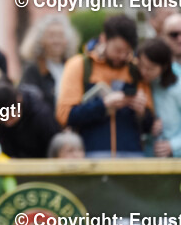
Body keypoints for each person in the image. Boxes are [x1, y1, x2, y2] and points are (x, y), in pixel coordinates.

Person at [55, 15, 154, 158]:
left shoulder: (136, 69)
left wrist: (142, 112)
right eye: (118, 50)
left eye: (127, 52)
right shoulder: (80, 65)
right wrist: (103, 105)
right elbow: (65, 115)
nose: (122, 56)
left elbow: (150, 125)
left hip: (132, 158)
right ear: (103, 39)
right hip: (90, 156)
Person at [18, 14, 79, 111]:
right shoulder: (33, 70)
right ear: (41, 40)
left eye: (60, 36)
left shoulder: (73, 67)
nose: (56, 41)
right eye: (51, 36)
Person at [0, 82, 59, 159]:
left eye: (11, 116)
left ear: (19, 100)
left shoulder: (41, 115)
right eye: (3, 120)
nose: (8, 123)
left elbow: (54, 147)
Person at [136, 38, 181, 158]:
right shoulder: (142, 82)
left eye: (150, 68)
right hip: (147, 157)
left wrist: (174, 145)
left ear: (164, 67)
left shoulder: (177, 86)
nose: (143, 72)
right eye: (141, 65)